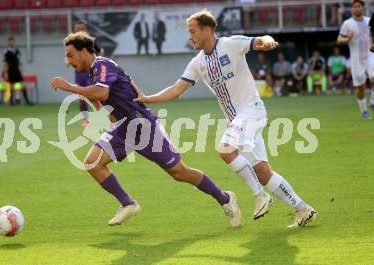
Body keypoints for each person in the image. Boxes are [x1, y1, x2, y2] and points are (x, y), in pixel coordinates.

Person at [133, 10, 316, 228]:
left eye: (192, 31)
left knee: (226, 149)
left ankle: (259, 195)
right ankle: (302, 208)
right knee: (263, 172)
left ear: (206, 30)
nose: (189, 36)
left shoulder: (231, 44)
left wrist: (268, 41)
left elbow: (259, 41)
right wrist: (146, 99)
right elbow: (176, 90)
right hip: (238, 119)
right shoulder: (198, 63)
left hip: (251, 110)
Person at [50, 31, 241, 227]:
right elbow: (115, 92)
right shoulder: (95, 71)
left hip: (144, 127)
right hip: (123, 129)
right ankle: (127, 204)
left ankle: (225, 198)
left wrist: (69, 87)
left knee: (179, 172)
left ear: (83, 51)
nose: (68, 61)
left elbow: (102, 92)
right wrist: (112, 117)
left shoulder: (101, 64)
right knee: (92, 162)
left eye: (70, 55)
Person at [337, 0, 374, 120]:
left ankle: (373, 101)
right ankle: (363, 110)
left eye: (359, 6)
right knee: (361, 87)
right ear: (351, 9)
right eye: (354, 7)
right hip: (356, 58)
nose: (357, 9)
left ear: (363, 8)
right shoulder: (347, 23)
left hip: (370, 55)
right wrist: (347, 38)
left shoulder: (370, 21)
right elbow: (339, 40)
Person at [73, 20, 102, 126]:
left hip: (91, 71)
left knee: (94, 95)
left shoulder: (92, 40)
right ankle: (86, 119)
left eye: (82, 29)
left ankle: (100, 117)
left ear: (86, 30)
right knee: (81, 96)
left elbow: (100, 52)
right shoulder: (72, 43)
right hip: (79, 72)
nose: (79, 31)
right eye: (77, 29)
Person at [3, 36, 31, 105]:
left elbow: (18, 60)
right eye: (10, 41)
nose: (11, 42)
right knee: (11, 86)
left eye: (12, 41)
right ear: (9, 42)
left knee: (23, 85)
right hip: (10, 70)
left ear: (14, 42)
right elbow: (5, 62)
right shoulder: (6, 51)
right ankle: (11, 102)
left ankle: (27, 101)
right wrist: (6, 72)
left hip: (17, 70)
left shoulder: (17, 50)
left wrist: (21, 66)